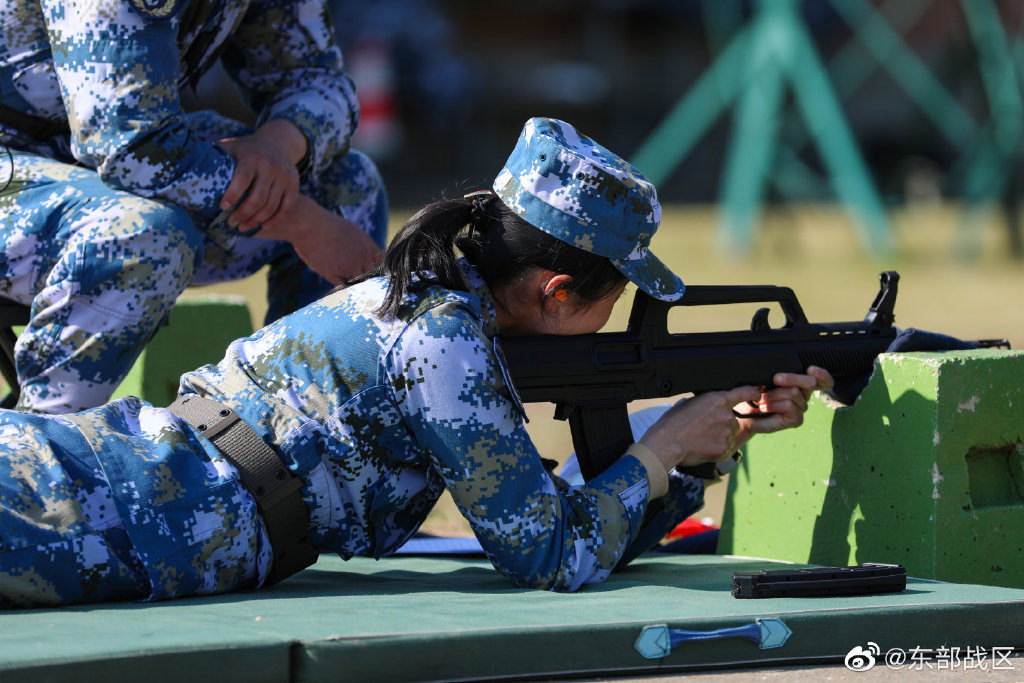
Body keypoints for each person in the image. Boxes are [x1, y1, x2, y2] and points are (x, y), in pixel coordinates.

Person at [0, 117, 832, 608]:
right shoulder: (443, 339)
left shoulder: (442, 304)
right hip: (134, 507)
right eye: (616, 298)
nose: (618, 320)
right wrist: (667, 447)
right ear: (557, 291)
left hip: (144, 493)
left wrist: (701, 446)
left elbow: (559, 529)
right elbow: (551, 556)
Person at [0, 0, 387, 414]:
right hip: (21, 159)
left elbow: (315, 76)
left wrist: (280, 143)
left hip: (82, 167)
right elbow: (129, 146)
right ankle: (32, 457)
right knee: (143, 235)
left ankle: (300, 437)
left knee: (345, 189)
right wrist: (303, 222)